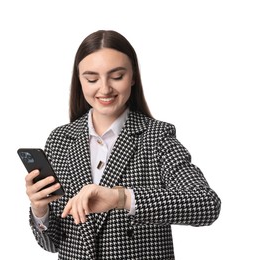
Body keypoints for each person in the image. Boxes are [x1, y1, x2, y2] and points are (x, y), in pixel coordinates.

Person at [25, 30, 221, 259]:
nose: (105, 88)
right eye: (91, 79)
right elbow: (52, 244)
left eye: (117, 76)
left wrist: (122, 198)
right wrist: (40, 210)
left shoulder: (156, 137)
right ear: (79, 81)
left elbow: (207, 205)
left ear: (133, 77)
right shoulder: (60, 140)